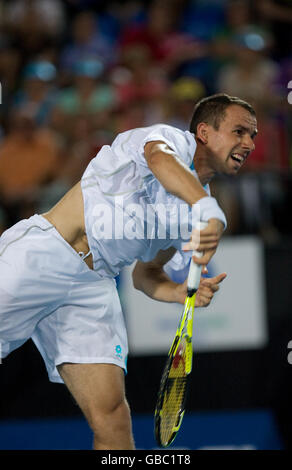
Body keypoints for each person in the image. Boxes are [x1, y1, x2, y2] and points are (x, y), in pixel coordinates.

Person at [0, 93, 257, 450]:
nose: (249, 143)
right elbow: (160, 162)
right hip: (42, 253)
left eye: (253, 136)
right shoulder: (166, 140)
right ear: (204, 132)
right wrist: (207, 207)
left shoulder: (191, 212)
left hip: (93, 286)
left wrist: (180, 292)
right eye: (239, 131)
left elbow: (145, 275)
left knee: (113, 418)